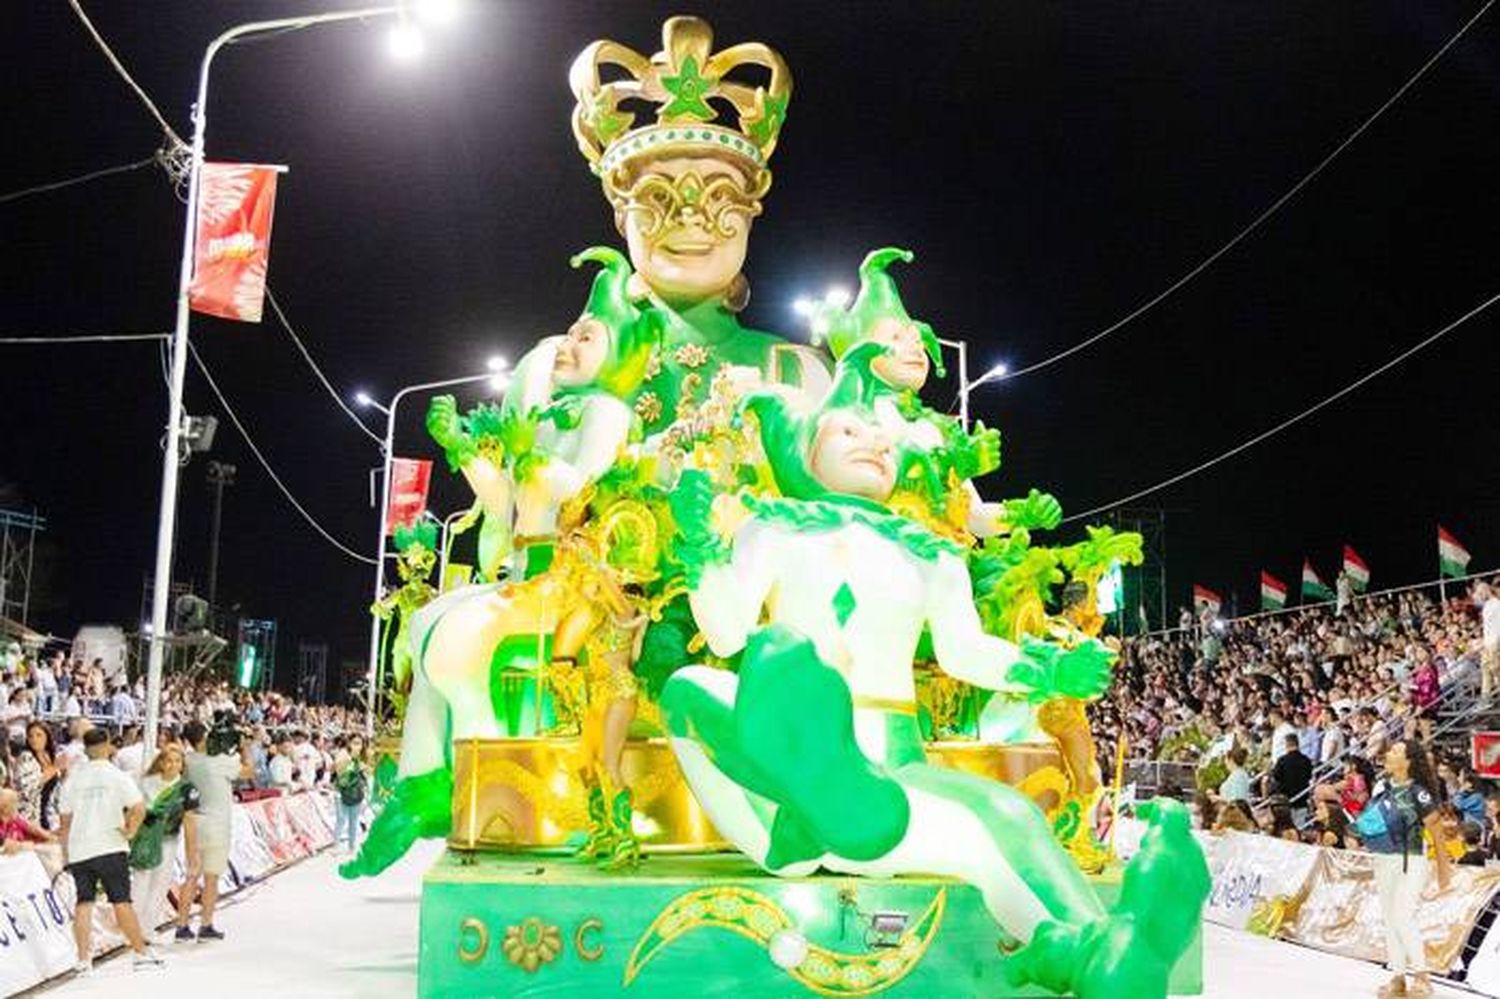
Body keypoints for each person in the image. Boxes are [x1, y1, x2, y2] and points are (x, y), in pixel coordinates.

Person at [56, 728, 163, 973]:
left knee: (84, 903)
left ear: (86, 749)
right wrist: (130, 831)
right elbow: (139, 808)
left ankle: (83, 960)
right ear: (106, 746)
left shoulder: (73, 779)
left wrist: (66, 852)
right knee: (121, 901)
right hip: (110, 846)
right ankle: (139, 952)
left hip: (80, 849)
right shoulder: (117, 776)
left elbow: (64, 822)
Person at [1358, 739, 1452, 998]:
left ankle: (1422, 977)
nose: (1388, 753)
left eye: (1395, 751)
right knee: (1390, 918)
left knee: (1403, 915)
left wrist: (1444, 867)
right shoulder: (1382, 786)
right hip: (1384, 859)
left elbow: (1436, 829)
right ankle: (1398, 977)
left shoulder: (1418, 792)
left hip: (1411, 860)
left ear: (1408, 761)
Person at [179, 719, 251, 941]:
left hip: (194, 823)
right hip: (217, 825)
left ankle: (182, 926)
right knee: (211, 878)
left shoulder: (188, 760)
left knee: (191, 875)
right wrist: (244, 747)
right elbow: (248, 772)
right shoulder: (220, 761)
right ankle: (206, 924)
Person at [131, 743, 199, 936]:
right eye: (169, 761)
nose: (173, 765)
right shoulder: (146, 782)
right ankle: (133, 928)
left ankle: (148, 928)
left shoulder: (187, 789)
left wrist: (191, 852)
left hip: (168, 841)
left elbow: (190, 821)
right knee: (140, 882)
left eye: (178, 761)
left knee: (159, 884)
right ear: (161, 762)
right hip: (145, 839)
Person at [13, 720, 60, 830]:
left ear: (47, 737)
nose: (34, 740)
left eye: (39, 735)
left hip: (50, 813)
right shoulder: (26, 757)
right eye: (31, 736)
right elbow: (27, 789)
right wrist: (52, 771)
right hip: (30, 816)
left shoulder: (50, 757)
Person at [332, 747, 368, 855]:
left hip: (355, 795)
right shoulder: (341, 762)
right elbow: (335, 776)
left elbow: (364, 780)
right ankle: (337, 846)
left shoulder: (360, 765)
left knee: (352, 820)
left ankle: (351, 847)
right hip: (341, 794)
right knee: (341, 820)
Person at [1269, 734, 1313, 821]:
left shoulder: (1282, 761)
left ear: (1287, 744)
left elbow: (1276, 777)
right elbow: (1309, 776)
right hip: (1302, 800)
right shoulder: (1306, 760)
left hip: (1286, 800)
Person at [0, 787, 54, 852]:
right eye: (3, 812)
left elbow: (31, 827)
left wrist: (47, 836)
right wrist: (21, 846)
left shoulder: (17, 819)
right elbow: (6, 844)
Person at [1479, 581, 1500, 702]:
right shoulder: (1486, 606)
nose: (1480, 596)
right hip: (1487, 643)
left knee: (1496, 670)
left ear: (1486, 590)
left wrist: (1497, 642)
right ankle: (1485, 698)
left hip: (1495, 642)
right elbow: (1486, 627)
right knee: (1485, 669)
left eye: (1481, 593)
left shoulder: (1497, 604)